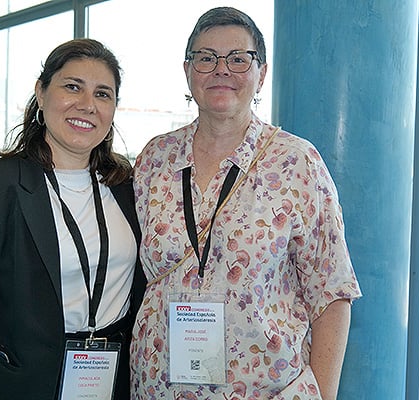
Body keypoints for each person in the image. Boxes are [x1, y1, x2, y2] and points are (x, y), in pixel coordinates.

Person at [131, 7, 361, 400]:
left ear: (262, 74)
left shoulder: (297, 163)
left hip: (267, 389)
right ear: (187, 72)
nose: (222, 69)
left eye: (239, 59)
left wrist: (321, 393)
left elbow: (332, 291)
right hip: (158, 386)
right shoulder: (155, 158)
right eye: (206, 58)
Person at [0, 38, 145, 400]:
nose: (87, 105)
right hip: (24, 383)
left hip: (114, 378)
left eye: (103, 94)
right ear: (41, 92)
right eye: (72, 86)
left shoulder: (129, 185)